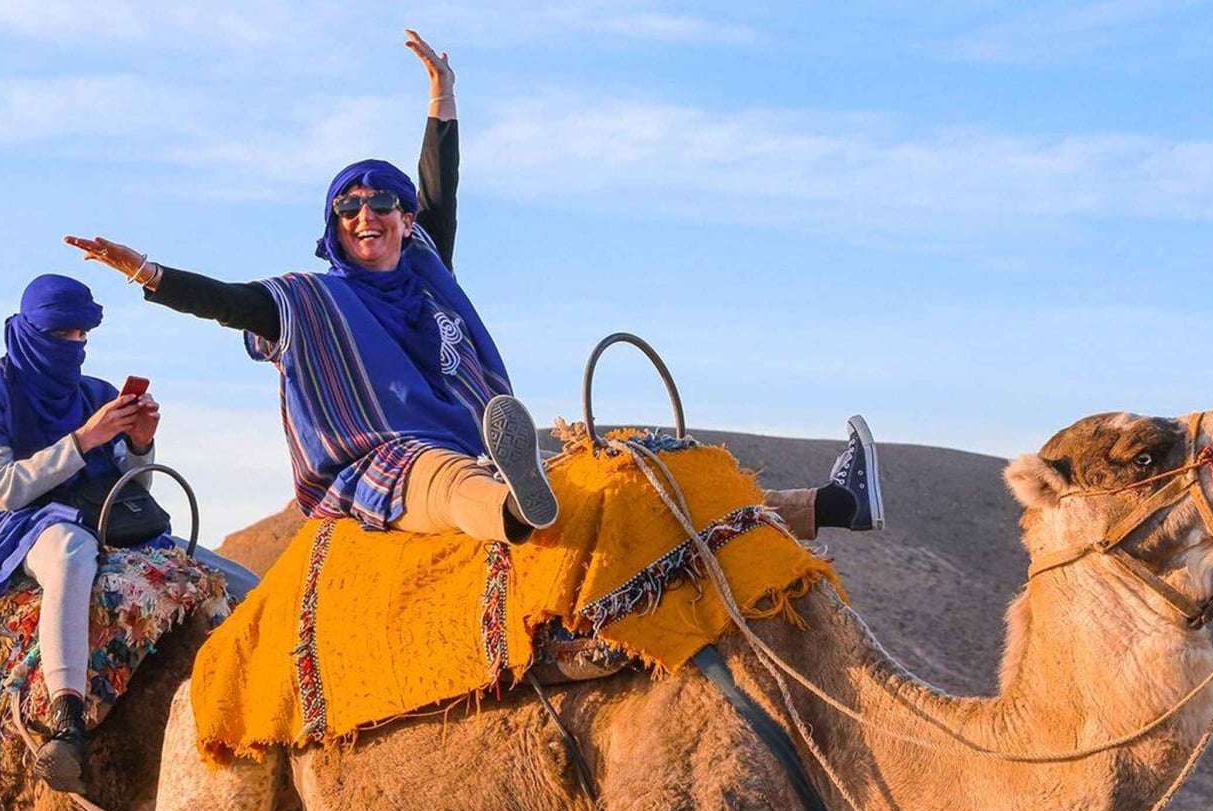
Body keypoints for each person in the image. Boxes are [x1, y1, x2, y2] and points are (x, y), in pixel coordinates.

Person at [66, 29, 883, 547]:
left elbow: (440, 189)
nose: (368, 214)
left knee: (634, 483)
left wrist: (442, 98)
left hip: (485, 436)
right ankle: (512, 516)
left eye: (382, 201)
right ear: (333, 225)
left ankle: (831, 507)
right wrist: (148, 272)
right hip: (385, 460)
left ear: (401, 216)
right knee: (440, 478)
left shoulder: (426, 263)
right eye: (348, 207)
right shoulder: (308, 303)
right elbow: (227, 301)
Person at [0, 275, 164, 792]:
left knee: (224, 578)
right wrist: (85, 438)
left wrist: (140, 444)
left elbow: (134, 487)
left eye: (82, 335)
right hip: (21, 522)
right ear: (30, 331)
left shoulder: (95, 393)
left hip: (102, 512)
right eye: (62, 335)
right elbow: (2, 488)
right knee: (70, 551)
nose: (75, 346)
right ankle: (67, 719)